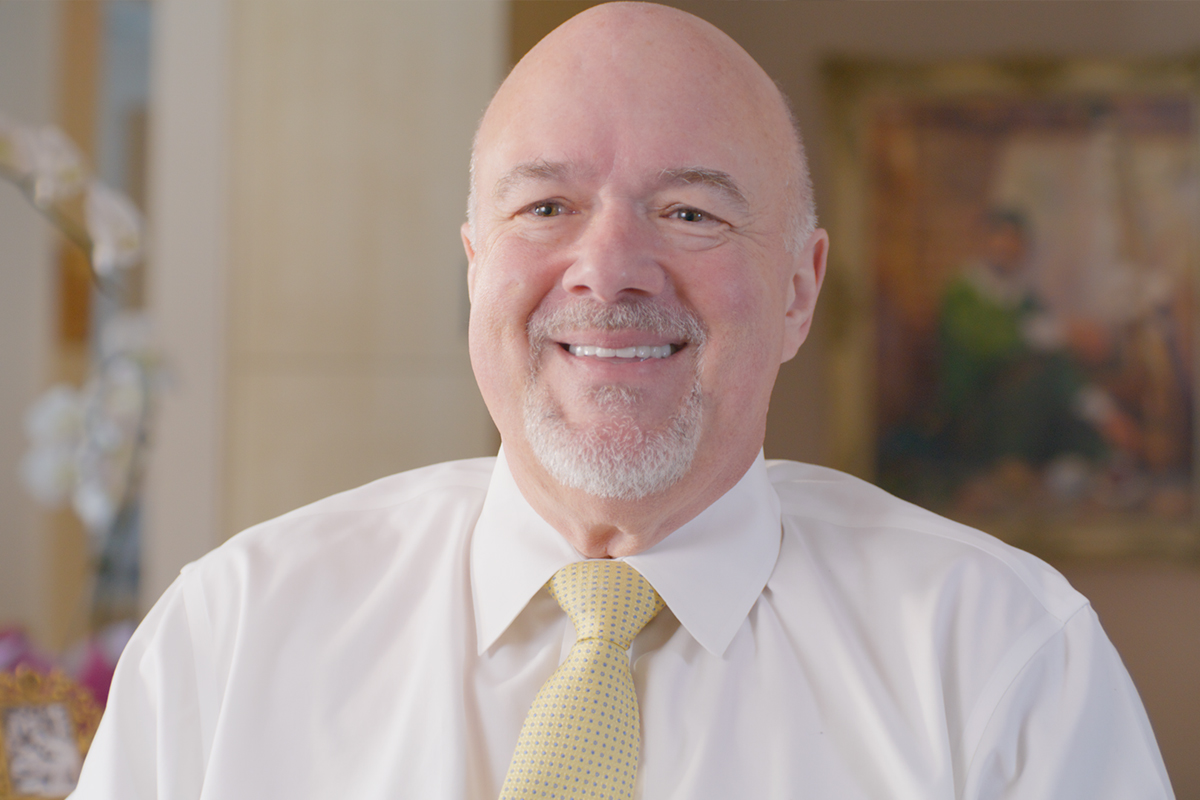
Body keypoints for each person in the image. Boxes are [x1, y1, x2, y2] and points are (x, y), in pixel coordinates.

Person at [71, 4, 1172, 799]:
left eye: (690, 212)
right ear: (474, 267)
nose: (610, 269)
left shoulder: (1005, 662)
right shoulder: (232, 635)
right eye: (547, 205)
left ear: (799, 288)